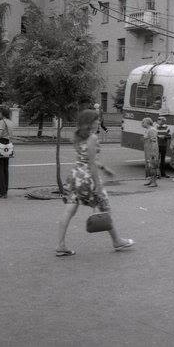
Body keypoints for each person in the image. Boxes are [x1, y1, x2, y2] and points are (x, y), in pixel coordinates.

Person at [56, 109, 134, 257]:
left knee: (69, 210)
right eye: (97, 120)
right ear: (90, 122)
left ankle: (60, 245)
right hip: (87, 177)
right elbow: (91, 163)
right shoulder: (92, 137)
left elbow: (84, 158)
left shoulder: (77, 136)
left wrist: (104, 168)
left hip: (75, 176)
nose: (99, 122)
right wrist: (98, 184)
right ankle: (117, 240)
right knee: (104, 207)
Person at [141, 118, 159, 187]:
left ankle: (154, 182)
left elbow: (154, 141)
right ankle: (151, 181)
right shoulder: (148, 130)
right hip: (148, 150)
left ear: (147, 123)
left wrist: (153, 152)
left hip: (152, 150)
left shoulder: (152, 130)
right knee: (149, 165)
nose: (142, 123)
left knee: (152, 166)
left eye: (143, 122)